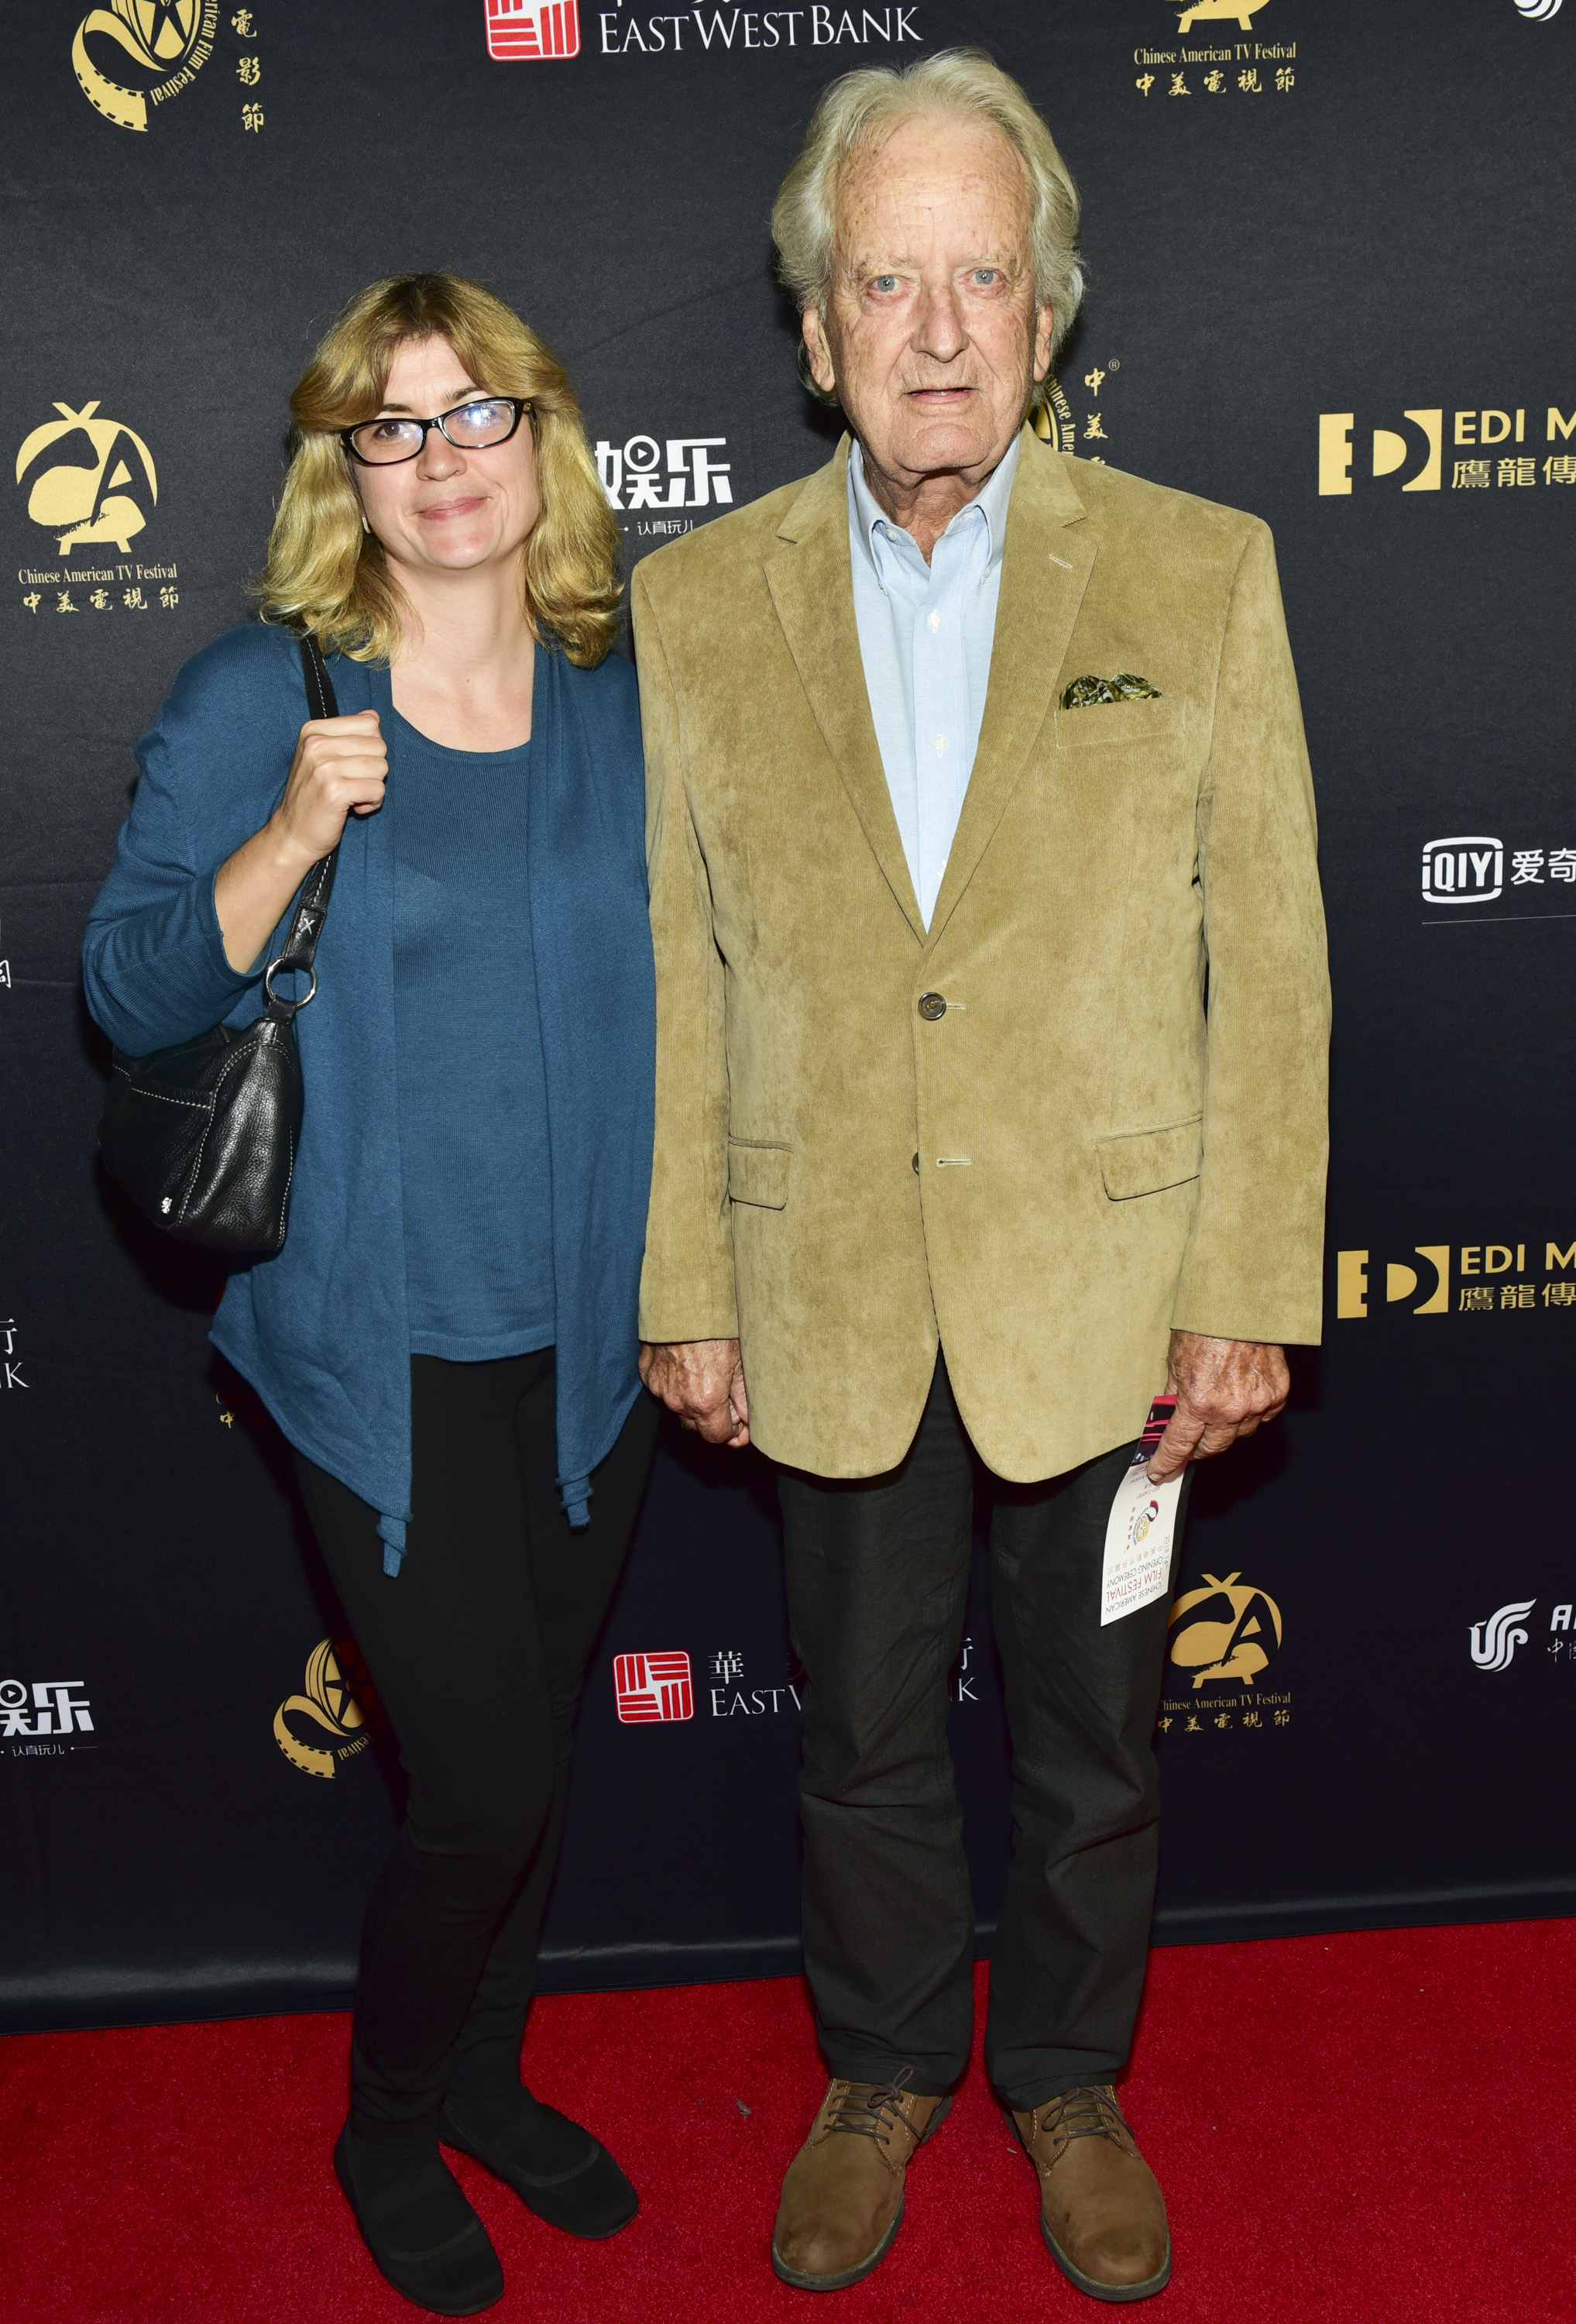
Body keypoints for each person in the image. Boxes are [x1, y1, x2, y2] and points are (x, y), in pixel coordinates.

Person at [635, 51, 1329, 2305]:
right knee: (853, 1737)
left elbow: (1276, 972)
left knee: (1094, 1744)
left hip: (1109, 1300)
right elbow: (681, 979)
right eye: (884, 280)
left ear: (1046, 316)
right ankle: (873, 2074)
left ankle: (1062, 2076)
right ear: (816, 326)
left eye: (980, 278)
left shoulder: (1203, 572)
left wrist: (1247, 1284)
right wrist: (685, 1282)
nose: (935, 329)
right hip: (823, 1271)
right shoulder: (689, 605)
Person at [84, 273, 658, 2318]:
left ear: (541, 439)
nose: (437, 460)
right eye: (388, 426)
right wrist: (294, 821)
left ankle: (492, 2078)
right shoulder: (271, 684)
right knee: (482, 1778)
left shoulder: (621, 689)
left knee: (532, 1770)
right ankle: (390, 2116)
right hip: (368, 1346)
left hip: (586, 1342)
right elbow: (128, 988)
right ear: (345, 466)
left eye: (471, 413)